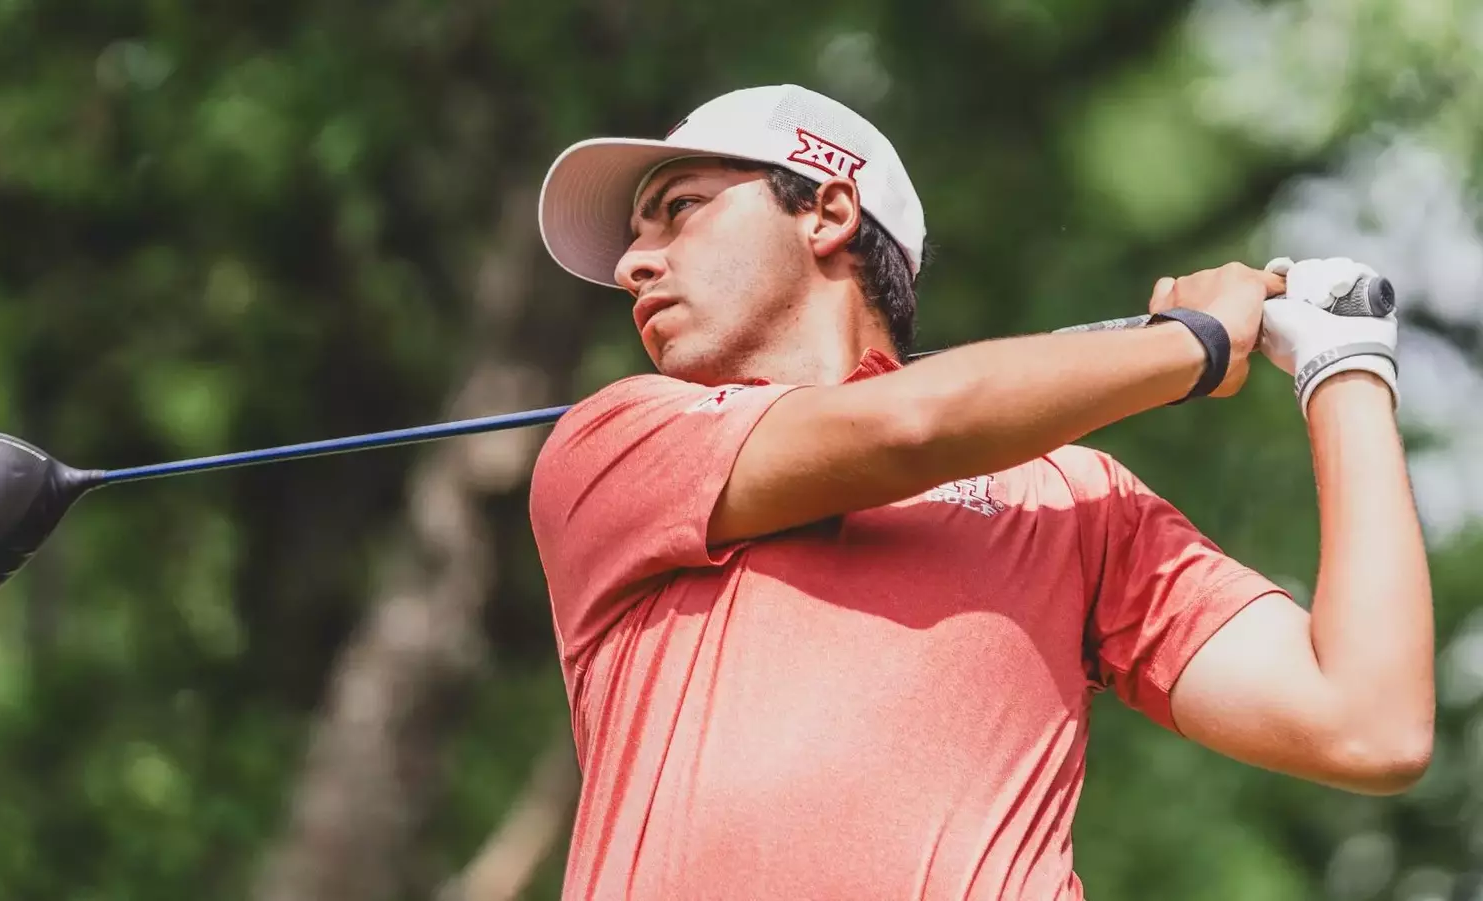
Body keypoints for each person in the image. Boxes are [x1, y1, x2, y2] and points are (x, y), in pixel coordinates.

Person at [527, 84, 1433, 900]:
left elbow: (1368, 723)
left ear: (827, 210)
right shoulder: (619, 441)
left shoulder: (1072, 498)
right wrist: (1188, 346)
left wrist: (1342, 362)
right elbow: (903, 429)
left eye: (676, 211)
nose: (631, 265)